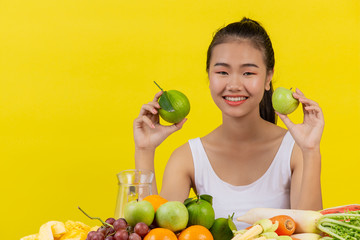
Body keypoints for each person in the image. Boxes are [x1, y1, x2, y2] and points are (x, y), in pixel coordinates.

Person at [133, 17, 324, 229]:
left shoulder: (294, 150)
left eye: (248, 73)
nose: (233, 85)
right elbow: (158, 233)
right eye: (222, 72)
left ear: (268, 77)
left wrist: (311, 150)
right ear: (209, 75)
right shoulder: (187, 158)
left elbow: (312, 232)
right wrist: (144, 150)